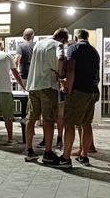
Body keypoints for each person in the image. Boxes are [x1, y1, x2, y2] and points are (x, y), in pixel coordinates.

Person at [24, 28, 69, 164]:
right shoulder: (58, 45)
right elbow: (61, 58)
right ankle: (48, 152)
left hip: (34, 85)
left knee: (31, 118)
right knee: (48, 120)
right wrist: (60, 73)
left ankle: (29, 150)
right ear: (63, 39)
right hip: (48, 85)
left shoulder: (39, 43)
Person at [59, 29, 101, 167]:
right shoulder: (94, 52)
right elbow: (97, 74)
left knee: (69, 123)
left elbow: (71, 69)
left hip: (79, 90)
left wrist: (69, 90)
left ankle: (65, 158)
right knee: (86, 123)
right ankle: (84, 155)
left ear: (76, 38)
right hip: (92, 90)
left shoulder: (74, 48)